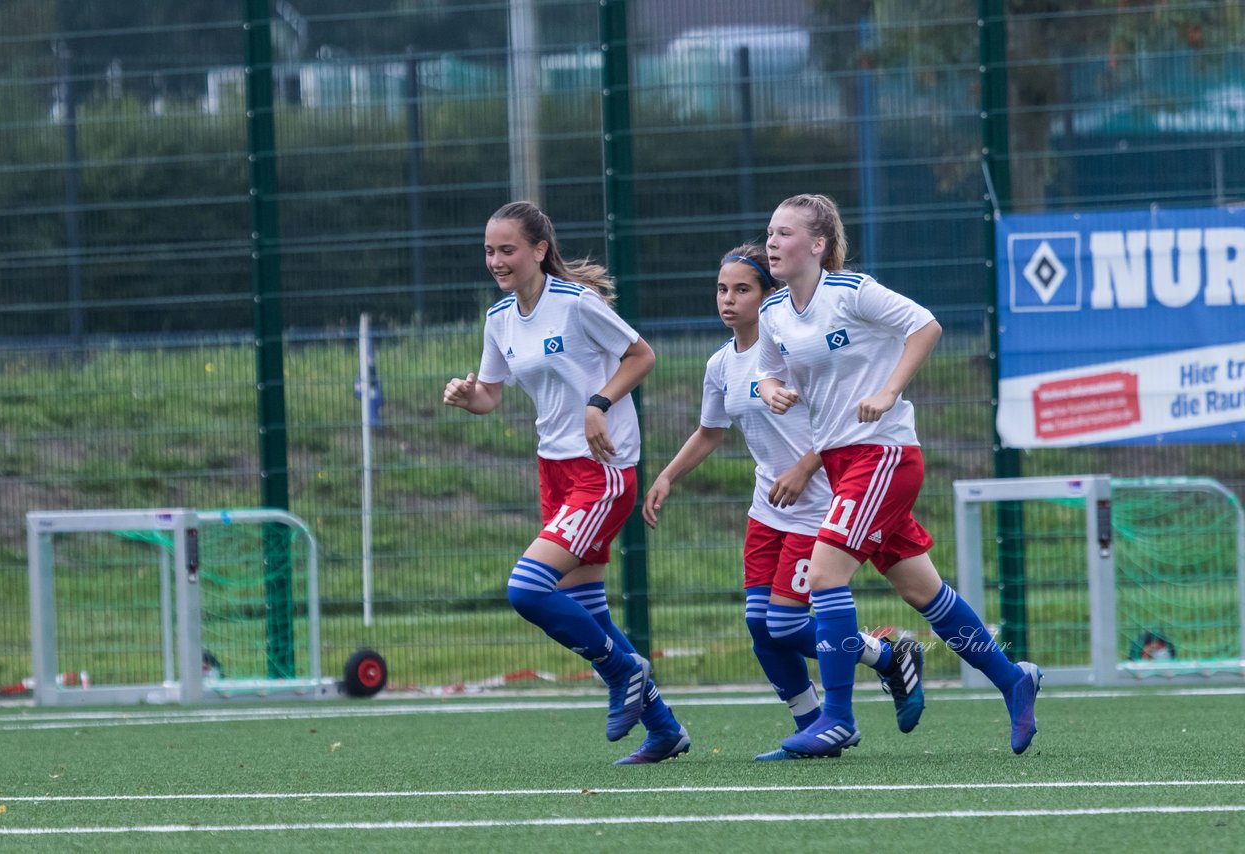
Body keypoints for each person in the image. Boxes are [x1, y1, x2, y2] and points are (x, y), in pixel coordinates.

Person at [755, 193, 1042, 759]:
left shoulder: (851, 291)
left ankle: (836, 717)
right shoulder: (773, 312)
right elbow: (765, 368)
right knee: (921, 590)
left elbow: (925, 325)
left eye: (784, 233)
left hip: (882, 456)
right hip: (843, 464)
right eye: (769, 232)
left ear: (818, 245)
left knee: (827, 576)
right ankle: (1013, 680)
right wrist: (768, 387)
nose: (771, 242)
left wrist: (889, 390)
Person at [642, 243, 926, 761]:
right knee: (760, 625)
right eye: (722, 289)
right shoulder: (721, 363)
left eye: (742, 290)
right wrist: (666, 476)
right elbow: (709, 431)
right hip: (765, 509)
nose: (728, 300)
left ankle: (886, 655)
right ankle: (813, 725)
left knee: (787, 624)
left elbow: (836, 416)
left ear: (769, 296)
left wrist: (805, 466)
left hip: (816, 503)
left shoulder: (795, 351)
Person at [442, 201, 689, 765]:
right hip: (553, 470)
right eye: (489, 250)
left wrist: (599, 403)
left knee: (527, 590)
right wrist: (466, 396)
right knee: (588, 608)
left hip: (601, 470)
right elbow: (491, 394)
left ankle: (625, 670)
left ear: (538, 250)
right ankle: (664, 728)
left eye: (507, 249)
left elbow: (641, 354)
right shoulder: (500, 319)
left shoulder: (576, 304)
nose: (497, 260)